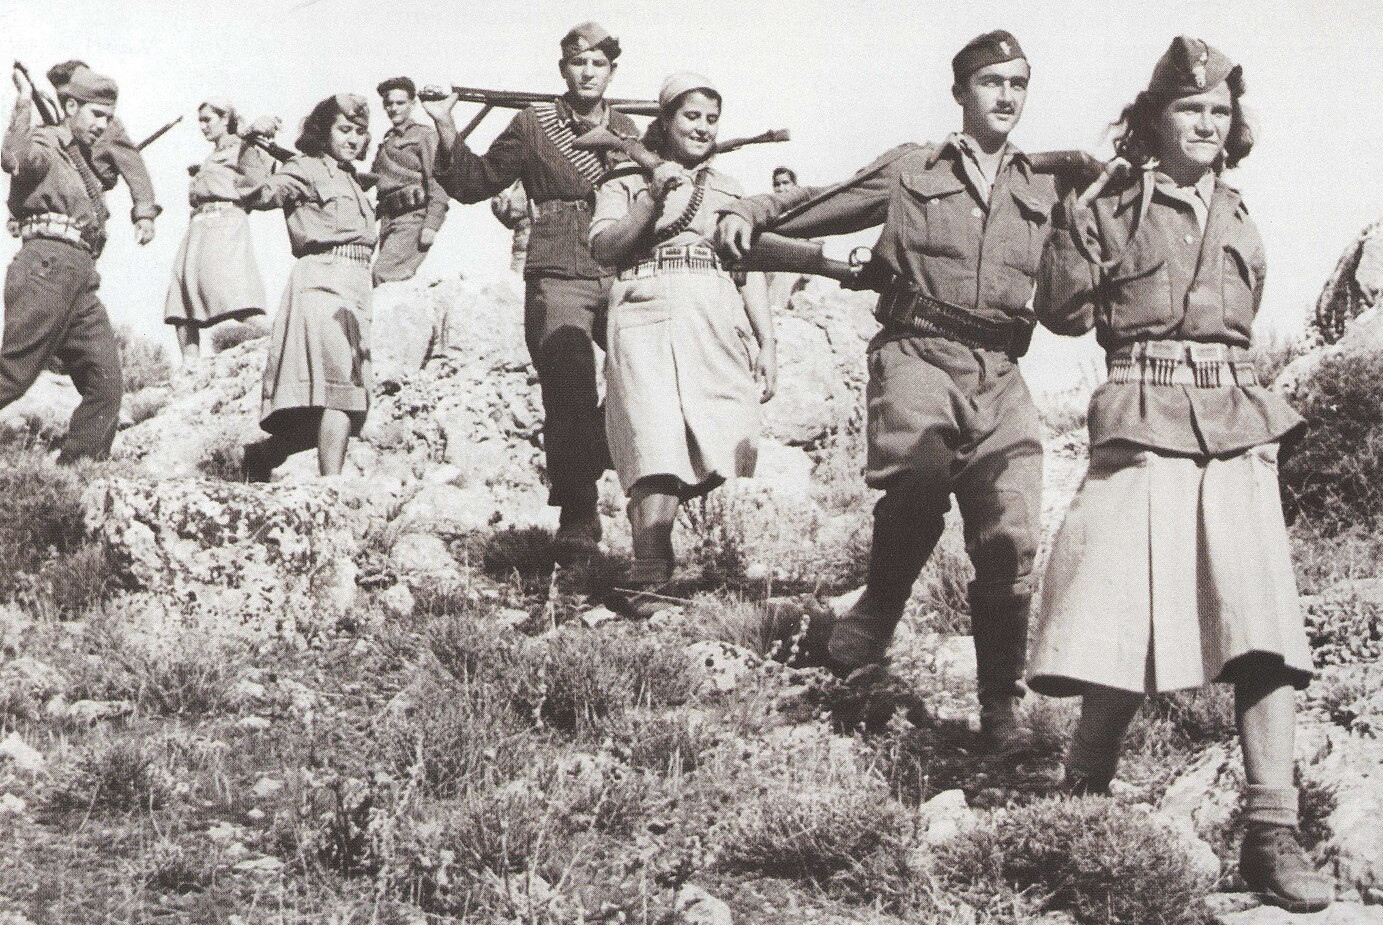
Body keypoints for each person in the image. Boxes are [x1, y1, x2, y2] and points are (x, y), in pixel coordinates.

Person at [1028, 37, 1332, 913]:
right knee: (1118, 619)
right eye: (1190, 109)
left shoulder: (1237, 212)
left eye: (1218, 111)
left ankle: (1269, 833)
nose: (1206, 123)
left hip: (1234, 423)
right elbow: (1061, 312)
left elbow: (1243, 313)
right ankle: (1079, 803)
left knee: (1262, 629)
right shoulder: (1109, 204)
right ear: (1154, 119)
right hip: (1141, 417)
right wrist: (1077, 216)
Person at [718, 31, 1056, 754]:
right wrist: (749, 210)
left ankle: (1001, 701)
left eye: (1018, 83)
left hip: (1000, 371)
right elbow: (824, 202)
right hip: (918, 352)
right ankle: (878, 609)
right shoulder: (912, 169)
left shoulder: (1042, 187)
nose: (1005, 95)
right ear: (960, 92)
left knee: (1011, 534)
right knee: (918, 480)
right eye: (991, 82)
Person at [421, 21, 637, 564]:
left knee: (643, 373)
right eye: (578, 62)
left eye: (599, 64)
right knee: (568, 387)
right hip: (558, 268)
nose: (588, 72)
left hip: (621, 267)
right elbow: (473, 183)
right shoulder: (534, 123)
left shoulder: (628, 127)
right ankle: (578, 511)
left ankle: (597, 459)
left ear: (612, 71)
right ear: (563, 69)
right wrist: (445, 122)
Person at [589, 72, 776, 614]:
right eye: (691, 116)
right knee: (653, 436)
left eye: (711, 119)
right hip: (645, 305)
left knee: (729, 432)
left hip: (713, 310)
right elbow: (604, 247)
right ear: (666, 121)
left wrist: (767, 342)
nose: (702, 128)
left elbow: (750, 269)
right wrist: (651, 196)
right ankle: (650, 569)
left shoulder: (730, 189)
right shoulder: (625, 179)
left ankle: (663, 536)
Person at [238, 95, 376, 481]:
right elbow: (260, 194)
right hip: (322, 283)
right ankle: (331, 489)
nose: (353, 138)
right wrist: (250, 144)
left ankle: (263, 456)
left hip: (355, 287)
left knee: (343, 401)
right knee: (341, 390)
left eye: (360, 132)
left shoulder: (350, 177)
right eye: (344, 129)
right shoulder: (305, 167)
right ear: (323, 131)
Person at [2, 64, 127, 463]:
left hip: (80, 275)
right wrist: (24, 104)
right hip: (47, 266)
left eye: (108, 118)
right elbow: (15, 158)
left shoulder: (81, 160)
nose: (102, 125)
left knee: (105, 384)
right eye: (97, 114)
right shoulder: (46, 141)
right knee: (14, 374)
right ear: (70, 107)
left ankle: (75, 474)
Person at [162, 99, 273, 364]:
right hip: (198, 227)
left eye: (207, 120)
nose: (203, 126)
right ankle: (189, 367)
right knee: (181, 299)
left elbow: (260, 180)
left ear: (225, 120)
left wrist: (254, 138)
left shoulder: (243, 147)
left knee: (234, 295)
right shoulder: (212, 155)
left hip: (224, 223)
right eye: (200, 121)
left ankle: (283, 338)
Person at [47, 60, 159, 245]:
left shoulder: (108, 127)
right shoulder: (56, 126)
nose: (64, 100)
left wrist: (144, 215)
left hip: (87, 208)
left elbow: (135, 169)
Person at [370, 77, 448, 286]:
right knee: (389, 281)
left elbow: (438, 183)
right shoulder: (387, 141)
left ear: (412, 104)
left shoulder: (425, 135)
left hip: (413, 217)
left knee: (385, 274)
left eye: (400, 103)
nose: (394, 108)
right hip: (388, 219)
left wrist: (431, 225)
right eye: (389, 103)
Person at [491, 179, 532, 273]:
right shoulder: (520, 182)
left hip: (544, 243)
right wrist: (498, 199)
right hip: (522, 245)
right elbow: (510, 220)